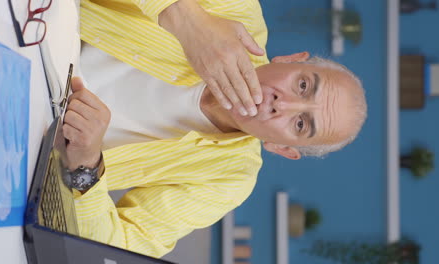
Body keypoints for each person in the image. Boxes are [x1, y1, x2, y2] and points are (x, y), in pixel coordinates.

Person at [62, 0, 367, 258]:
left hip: (29, 144)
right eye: (302, 85)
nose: (282, 105)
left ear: (281, 148)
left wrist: (86, 165)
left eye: (300, 124)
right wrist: (185, 18)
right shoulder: (239, 11)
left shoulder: (228, 180)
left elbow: (117, 248)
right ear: (291, 59)